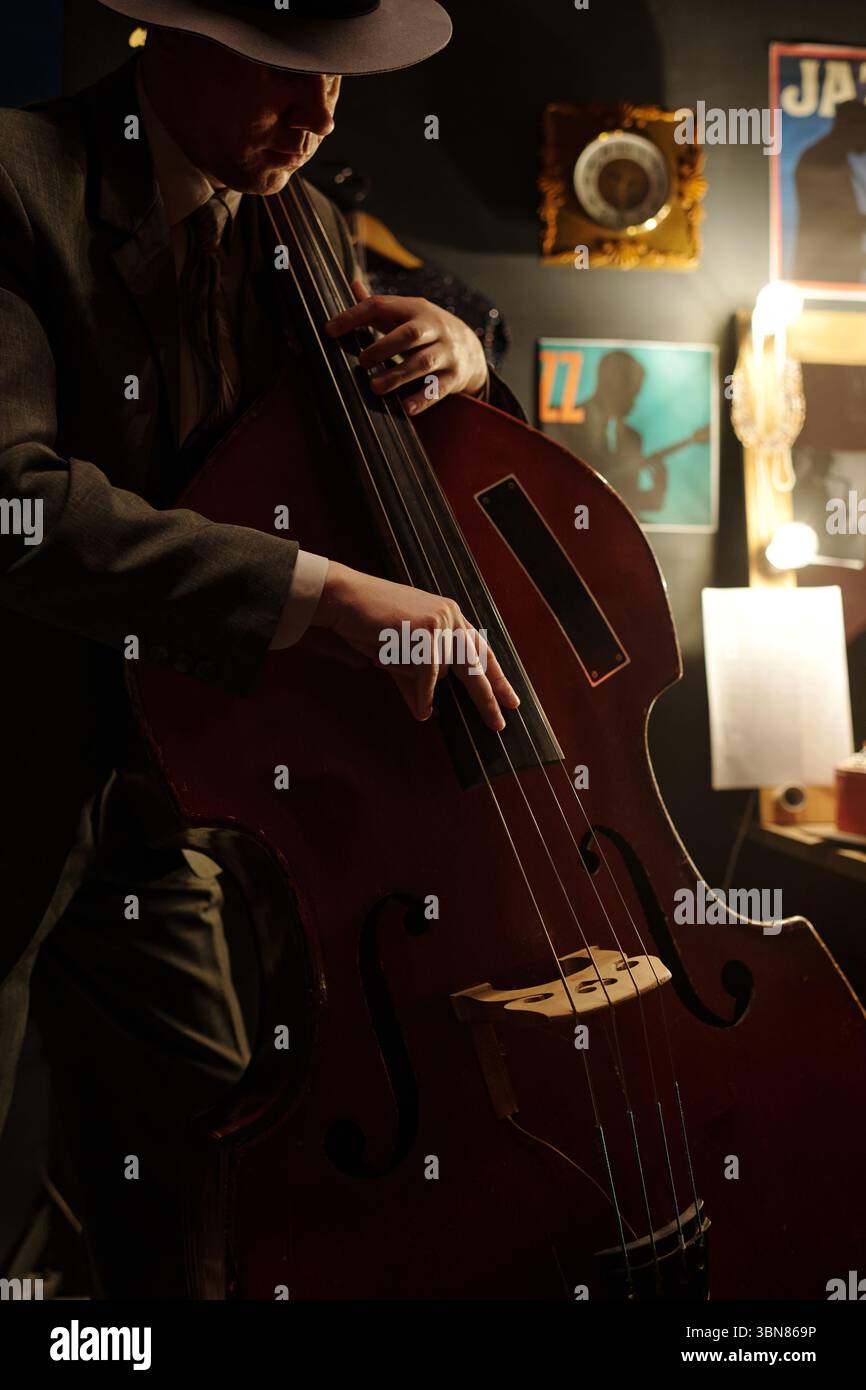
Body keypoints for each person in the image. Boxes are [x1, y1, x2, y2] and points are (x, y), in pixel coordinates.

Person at [0, 0, 525, 1297]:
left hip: (155, 795)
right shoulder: (14, 181)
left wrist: (469, 351)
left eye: (338, 81)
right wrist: (330, 598)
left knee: (197, 1179)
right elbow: (15, 504)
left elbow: (404, 405)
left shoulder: (302, 217)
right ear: (168, 39)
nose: (322, 111)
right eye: (289, 71)